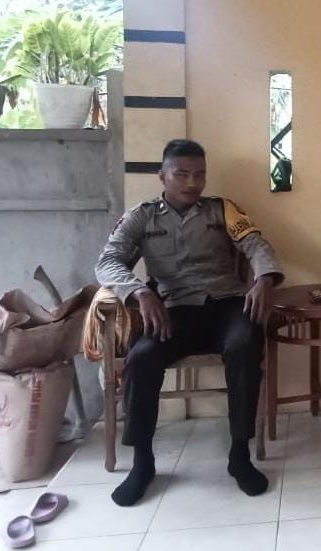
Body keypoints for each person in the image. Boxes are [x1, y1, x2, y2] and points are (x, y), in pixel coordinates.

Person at [95, 139, 283, 506]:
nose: (192, 183)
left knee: (246, 345)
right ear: (162, 176)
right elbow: (108, 261)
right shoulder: (141, 217)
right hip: (173, 312)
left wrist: (264, 279)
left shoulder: (222, 210)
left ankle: (239, 455)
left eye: (199, 175)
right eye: (182, 174)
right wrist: (139, 291)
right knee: (141, 358)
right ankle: (143, 463)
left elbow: (256, 245)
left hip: (226, 306)